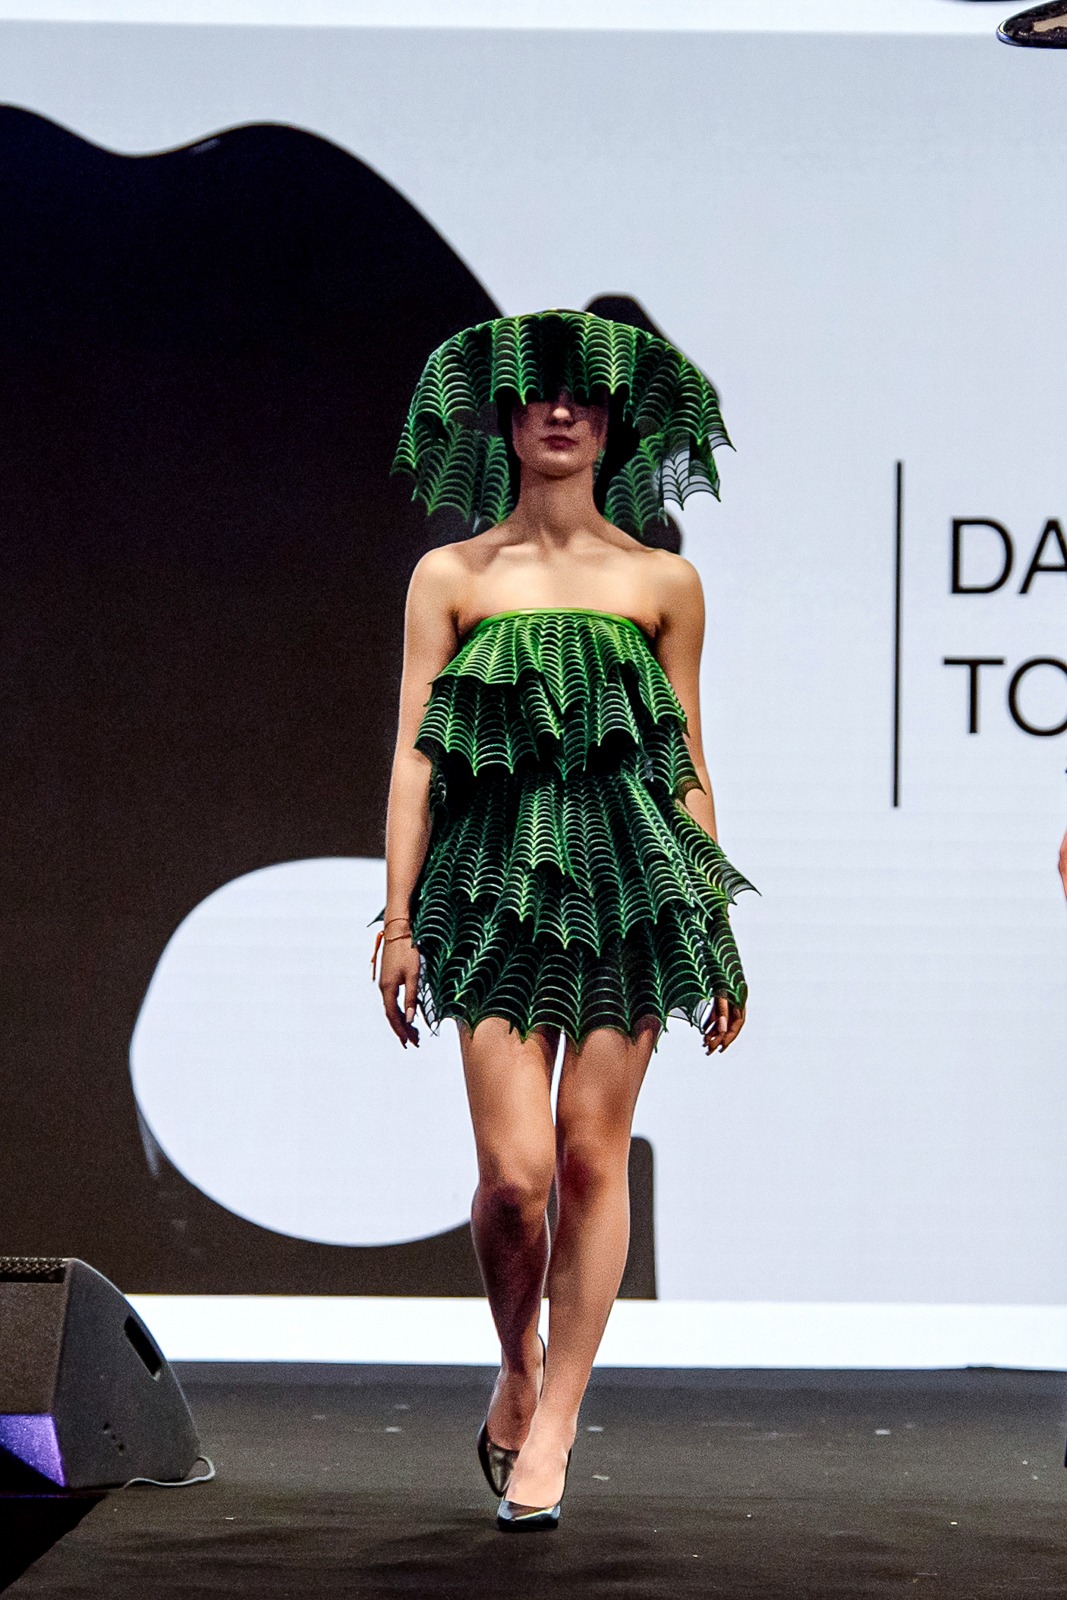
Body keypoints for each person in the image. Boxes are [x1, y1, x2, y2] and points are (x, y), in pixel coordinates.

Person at [370, 308, 755, 1529]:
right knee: (512, 1182)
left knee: (593, 1152)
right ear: (503, 417)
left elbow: (685, 760)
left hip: (630, 893)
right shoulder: (451, 577)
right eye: (537, 393)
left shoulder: (661, 582)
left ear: (611, 424)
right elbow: (415, 754)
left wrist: (712, 917)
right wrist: (396, 917)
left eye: (582, 397)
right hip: (488, 894)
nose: (557, 411)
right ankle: (516, 1359)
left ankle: (559, 1418)